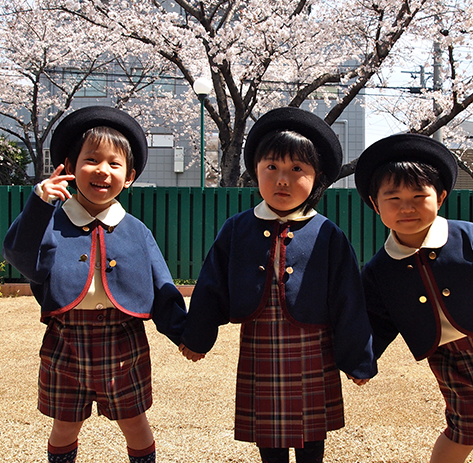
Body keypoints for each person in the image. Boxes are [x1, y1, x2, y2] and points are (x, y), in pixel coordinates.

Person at [180, 107, 376, 463]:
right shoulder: (237, 228)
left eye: (297, 169)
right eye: (272, 167)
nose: (282, 180)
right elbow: (211, 285)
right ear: (255, 171)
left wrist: (358, 359)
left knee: (311, 436)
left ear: (317, 179)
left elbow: (349, 299)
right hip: (261, 343)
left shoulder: (328, 235)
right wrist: (197, 337)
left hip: (314, 348)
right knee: (267, 435)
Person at [3, 106, 187, 463]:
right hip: (66, 338)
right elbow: (20, 255)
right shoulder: (51, 222)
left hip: (124, 337)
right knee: (65, 424)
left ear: (129, 176)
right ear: (70, 168)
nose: (102, 170)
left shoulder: (136, 230)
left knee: (134, 422)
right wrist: (39, 205)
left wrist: (185, 335)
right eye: (91, 160)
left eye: (114, 164)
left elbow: (162, 285)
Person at [354, 132, 473, 463]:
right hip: (447, 358)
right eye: (393, 199)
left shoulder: (470, 237)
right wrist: (363, 362)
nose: (406, 207)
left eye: (418, 195)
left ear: (439, 198)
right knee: (463, 428)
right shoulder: (379, 269)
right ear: (374, 203)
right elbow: (377, 323)